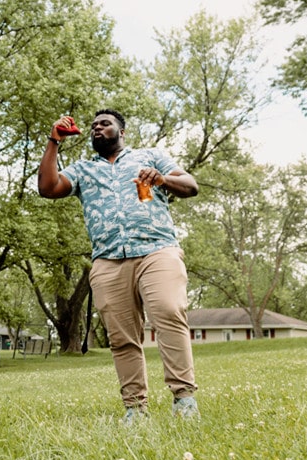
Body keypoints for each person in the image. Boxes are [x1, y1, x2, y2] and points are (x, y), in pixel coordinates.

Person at [37, 109, 201, 422]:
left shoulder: (150, 156)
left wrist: (162, 179)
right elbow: (48, 188)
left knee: (168, 311)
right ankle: (135, 409)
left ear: (121, 131)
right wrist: (53, 141)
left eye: (105, 123)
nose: (97, 128)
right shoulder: (83, 170)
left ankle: (184, 399)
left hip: (157, 250)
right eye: (94, 125)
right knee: (121, 337)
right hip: (109, 260)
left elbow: (190, 185)